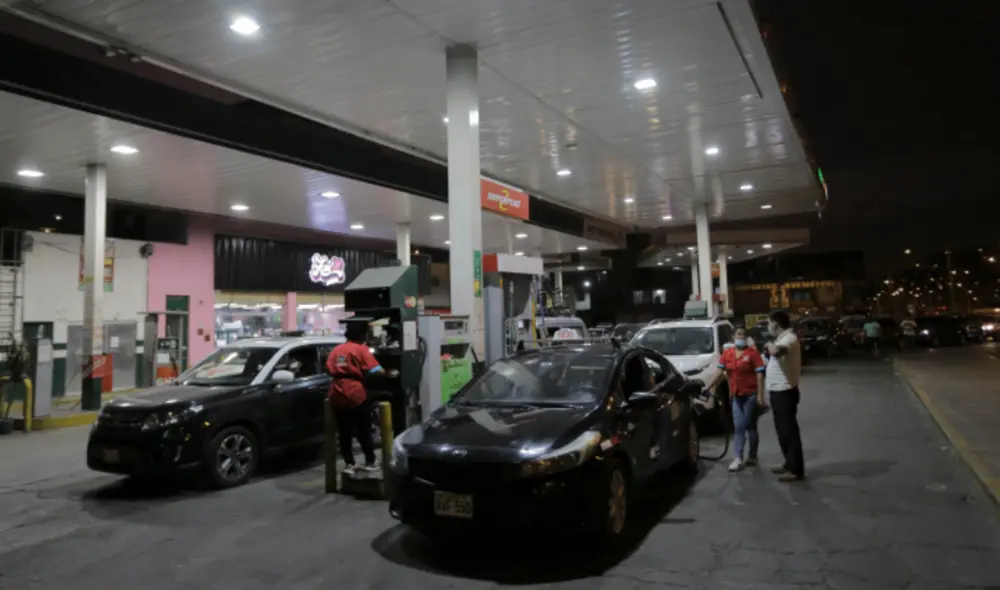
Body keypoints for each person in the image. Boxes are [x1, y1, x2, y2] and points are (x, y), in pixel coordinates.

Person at [325, 320, 395, 475]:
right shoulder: (360, 349)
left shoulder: (337, 350)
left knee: (344, 431)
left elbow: (329, 369)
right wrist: (388, 373)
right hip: (355, 392)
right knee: (364, 429)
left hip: (337, 392)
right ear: (362, 335)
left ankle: (349, 464)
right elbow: (375, 369)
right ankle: (370, 461)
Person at [706, 328, 767, 472]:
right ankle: (738, 457)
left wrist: (760, 395)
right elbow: (720, 372)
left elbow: (759, 375)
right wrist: (709, 387)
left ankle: (752, 455)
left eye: (744, 335)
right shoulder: (727, 354)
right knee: (739, 426)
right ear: (732, 337)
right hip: (735, 395)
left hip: (750, 394)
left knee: (749, 425)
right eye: (738, 335)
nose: (741, 337)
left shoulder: (752, 354)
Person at [765, 310, 804, 482]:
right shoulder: (783, 338)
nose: (768, 326)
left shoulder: (789, 339)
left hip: (785, 392)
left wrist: (769, 347)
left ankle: (795, 469)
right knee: (782, 431)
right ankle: (788, 463)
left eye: (768, 323)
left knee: (789, 431)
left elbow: (779, 351)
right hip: (778, 392)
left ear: (776, 324)